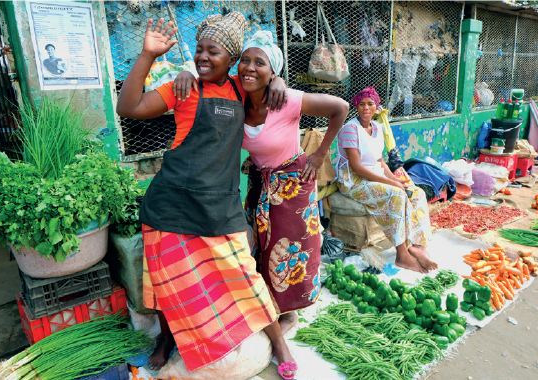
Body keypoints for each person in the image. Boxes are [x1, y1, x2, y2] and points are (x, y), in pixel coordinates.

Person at [116, 14, 290, 374]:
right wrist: (148, 55)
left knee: (244, 274)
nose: (203, 58)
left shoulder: (240, 90)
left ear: (232, 61)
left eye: (214, 52)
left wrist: (279, 80)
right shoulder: (184, 88)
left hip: (218, 205)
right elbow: (128, 107)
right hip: (170, 204)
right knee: (167, 284)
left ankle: (279, 343)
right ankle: (167, 339)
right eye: (199, 51)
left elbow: (265, 78)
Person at [174, 31, 349, 379]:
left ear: (272, 72)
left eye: (260, 63)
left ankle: (289, 314)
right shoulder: (236, 95)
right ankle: (272, 313)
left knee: (293, 251)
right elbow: (208, 72)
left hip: (291, 186)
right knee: (262, 255)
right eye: (246, 61)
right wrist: (184, 71)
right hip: (258, 186)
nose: (250, 68)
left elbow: (340, 108)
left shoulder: (288, 100)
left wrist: (319, 153)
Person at [334, 88, 437, 273]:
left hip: (374, 176)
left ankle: (418, 245)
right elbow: (357, 168)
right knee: (397, 194)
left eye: (370, 104)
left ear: (377, 106)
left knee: (417, 192)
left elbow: (380, 161)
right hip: (353, 182)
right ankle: (402, 254)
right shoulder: (350, 129)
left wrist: (395, 178)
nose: (366, 108)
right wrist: (392, 184)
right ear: (356, 107)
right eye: (362, 104)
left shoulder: (378, 127)